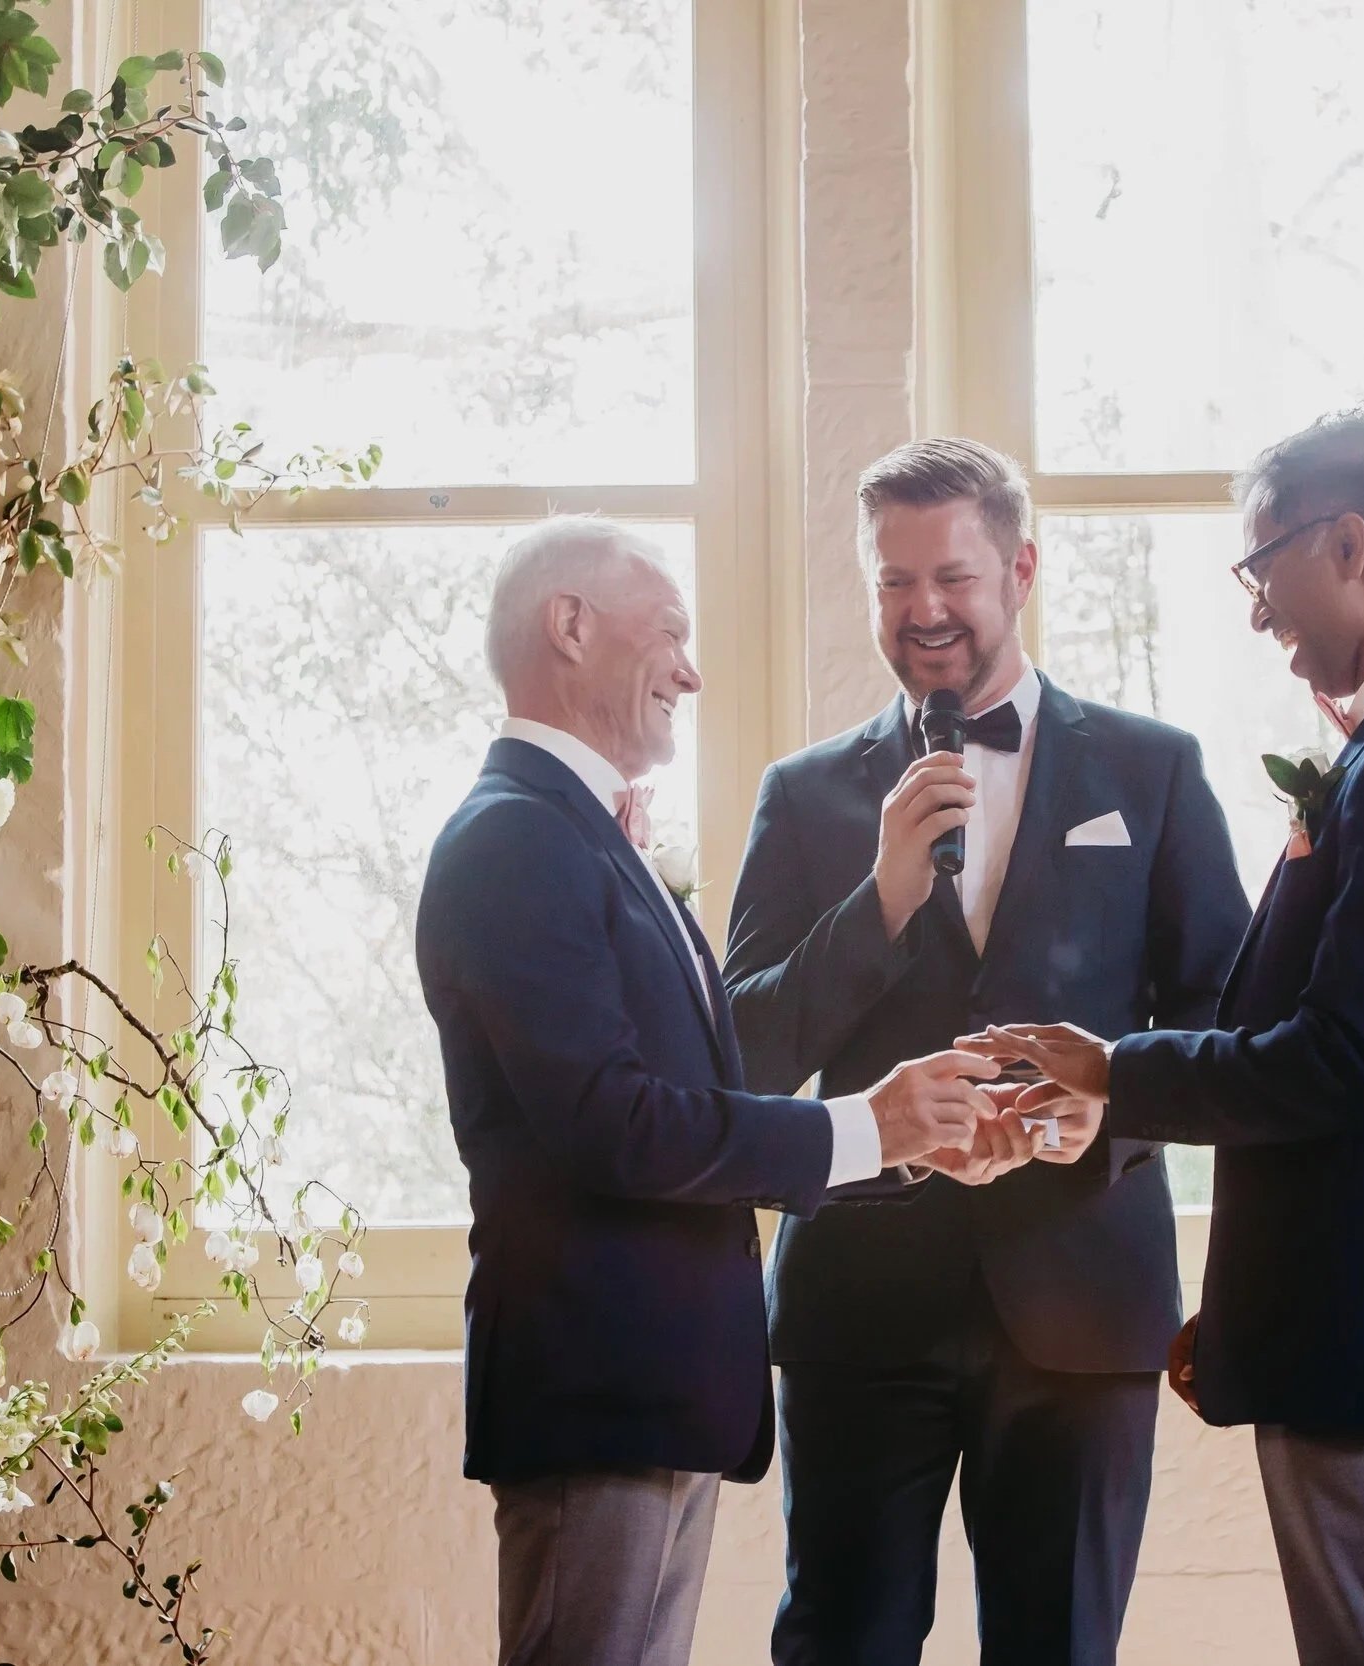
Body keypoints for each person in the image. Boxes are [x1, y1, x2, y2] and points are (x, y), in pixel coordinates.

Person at [967, 409, 1364, 1666]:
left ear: (1348, 543)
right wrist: (1240, 1306)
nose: (1254, 609)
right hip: (1352, 1322)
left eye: (1260, 565)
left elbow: (1344, 1059)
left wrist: (1114, 1069)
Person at [415, 517, 1016, 1666]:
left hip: (652, 1391)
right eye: (674, 634)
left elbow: (701, 1079)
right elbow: (613, 1121)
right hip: (597, 1386)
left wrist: (895, 1136)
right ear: (571, 627)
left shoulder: (584, 838)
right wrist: (865, 1123)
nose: (693, 669)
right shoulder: (514, 842)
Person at [725, 440, 1251, 1665]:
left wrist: (1109, 1115)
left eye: (951, 576)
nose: (925, 612)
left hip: (1082, 1294)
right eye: (893, 583)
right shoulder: (803, 798)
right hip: (861, 1307)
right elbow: (741, 1050)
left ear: (1019, 567)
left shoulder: (1152, 769)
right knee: (840, 1645)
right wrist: (880, 902)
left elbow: (1224, 1020)